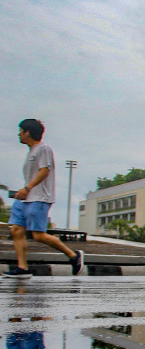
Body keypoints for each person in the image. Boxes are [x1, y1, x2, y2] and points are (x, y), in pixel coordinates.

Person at [5, 119, 84, 279]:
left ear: (27, 132)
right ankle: (22, 268)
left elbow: (44, 171)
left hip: (39, 198)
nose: (18, 134)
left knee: (38, 235)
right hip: (24, 198)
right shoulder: (31, 152)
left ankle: (73, 255)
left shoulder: (43, 149)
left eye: (20, 131)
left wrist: (27, 188)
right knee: (16, 230)